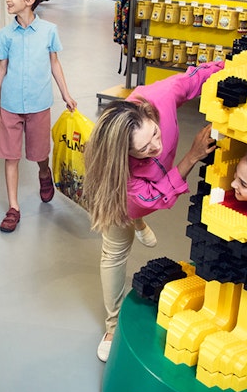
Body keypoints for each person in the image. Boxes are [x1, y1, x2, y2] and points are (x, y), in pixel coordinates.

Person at [84, 60, 224, 362]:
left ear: (149, 114)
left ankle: (139, 223)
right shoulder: (121, 179)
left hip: (147, 185)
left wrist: (230, 68)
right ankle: (111, 326)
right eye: (145, 149)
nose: (157, 148)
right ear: (126, 154)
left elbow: (195, 78)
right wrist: (191, 156)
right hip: (130, 194)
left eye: (155, 136)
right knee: (114, 248)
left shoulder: (159, 97)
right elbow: (151, 196)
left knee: (138, 207)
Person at [0, 0, 77, 233]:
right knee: (10, 156)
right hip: (10, 104)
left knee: (40, 153)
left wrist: (66, 94)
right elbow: (1, 69)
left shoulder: (49, 31)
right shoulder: (5, 35)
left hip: (39, 103)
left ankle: (43, 172)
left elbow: (54, 63)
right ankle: (13, 207)